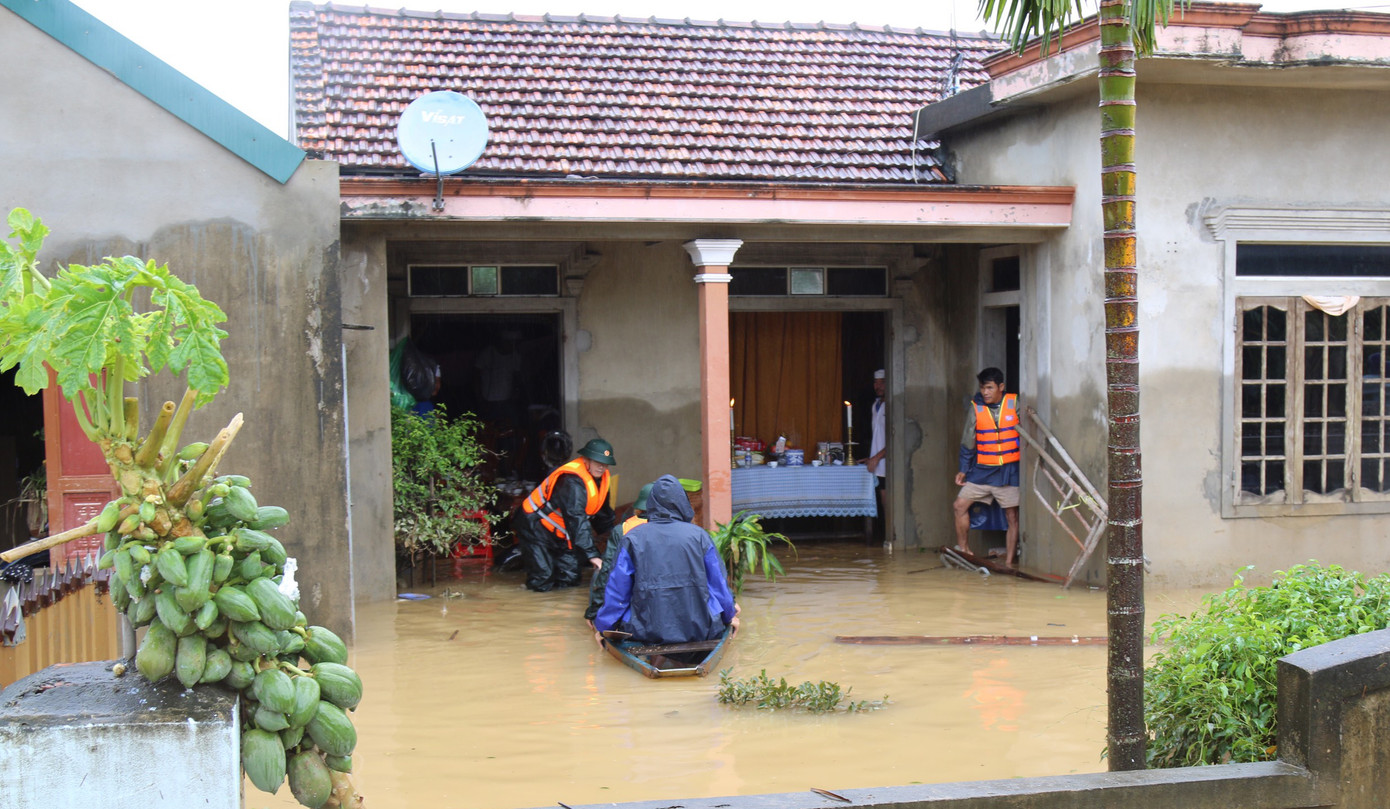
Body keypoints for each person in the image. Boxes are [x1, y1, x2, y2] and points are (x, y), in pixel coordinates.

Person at [593, 474, 739, 646]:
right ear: (683, 504)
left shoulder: (632, 538)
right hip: (700, 629)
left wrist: (603, 627)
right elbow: (719, 585)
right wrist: (730, 616)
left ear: (651, 505)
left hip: (644, 631)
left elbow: (618, 592)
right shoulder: (700, 536)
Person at [515, 437, 616, 591]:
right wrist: (593, 555)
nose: (601, 467)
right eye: (597, 462)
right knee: (543, 578)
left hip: (562, 532)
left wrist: (616, 540)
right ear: (586, 460)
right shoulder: (571, 481)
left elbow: (603, 516)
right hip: (535, 526)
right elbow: (576, 520)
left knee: (570, 578)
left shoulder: (602, 479)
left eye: (604, 463)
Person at [952, 367, 1021, 568]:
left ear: (1001, 387)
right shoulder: (976, 407)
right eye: (983, 388)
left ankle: (1009, 562)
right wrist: (963, 469)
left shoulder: (1015, 403)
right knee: (959, 506)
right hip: (981, 471)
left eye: (989, 388)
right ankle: (964, 550)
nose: (985, 392)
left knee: (1012, 516)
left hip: (1009, 472)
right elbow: (968, 442)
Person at [584, 482, 652, 624]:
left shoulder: (623, 529)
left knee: (600, 569)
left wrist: (595, 612)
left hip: (636, 606)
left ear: (638, 508)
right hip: (672, 607)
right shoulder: (689, 531)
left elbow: (607, 572)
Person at [860, 368, 887, 535]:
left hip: (885, 463)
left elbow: (894, 439)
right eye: (876, 382)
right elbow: (878, 436)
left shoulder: (891, 405)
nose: (878, 386)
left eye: (882, 382)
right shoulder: (875, 406)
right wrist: (871, 457)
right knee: (881, 501)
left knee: (887, 503)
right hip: (876, 462)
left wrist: (877, 457)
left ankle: (888, 538)